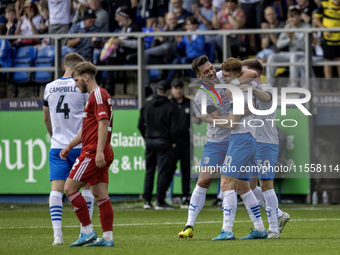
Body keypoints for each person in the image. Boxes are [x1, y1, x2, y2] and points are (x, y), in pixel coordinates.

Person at [178, 55, 257, 239]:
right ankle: (189, 225)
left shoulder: (224, 75)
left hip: (236, 139)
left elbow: (252, 72)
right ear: (200, 77)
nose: (212, 72)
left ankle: (256, 224)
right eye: (206, 72)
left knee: (242, 185)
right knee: (204, 180)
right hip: (216, 141)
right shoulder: (202, 96)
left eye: (212, 68)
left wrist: (236, 83)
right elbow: (227, 123)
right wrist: (242, 112)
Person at [60, 61, 114, 247]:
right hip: (97, 149)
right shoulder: (95, 96)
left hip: (93, 151)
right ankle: (107, 238)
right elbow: (87, 130)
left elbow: (103, 123)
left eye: (76, 80)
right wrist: (69, 146)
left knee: (69, 188)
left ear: (86, 77)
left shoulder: (97, 94)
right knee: (100, 194)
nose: (75, 85)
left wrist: (98, 151)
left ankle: (88, 231)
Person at [43, 53, 94, 246]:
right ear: (79, 67)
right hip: (81, 146)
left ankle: (57, 236)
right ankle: (85, 230)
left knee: (56, 190)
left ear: (64, 66)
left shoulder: (49, 87)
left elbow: (46, 118)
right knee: (87, 187)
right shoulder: (82, 88)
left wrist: (54, 136)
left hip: (58, 146)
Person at [241, 59, 291, 238]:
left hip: (266, 143)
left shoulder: (267, 88)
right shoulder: (245, 91)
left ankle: (273, 230)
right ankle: (277, 214)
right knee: (247, 185)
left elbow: (266, 98)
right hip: (251, 142)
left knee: (266, 185)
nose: (241, 75)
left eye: (244, 71)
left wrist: (251, 89)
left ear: (254, 73)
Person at [138, 80, 178, 210]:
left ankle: (147, 201)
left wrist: (147, 137)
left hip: (150, 141)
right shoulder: (171, 106)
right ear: (167, 92)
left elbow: (140, 125)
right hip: (164, 141)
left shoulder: (147, 105)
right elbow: (174, 129)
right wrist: (173, 141)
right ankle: (160, 201)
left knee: (149, 171)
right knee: (162, 171)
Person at [266, 7, 311, 87]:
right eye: (290, 17)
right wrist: (289, 40)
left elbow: (305, 46)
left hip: (303, 53)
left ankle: (293, 84)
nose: (291, 19)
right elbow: (279, 44)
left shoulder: (307, 27)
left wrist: (295, 35)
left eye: (293, 16)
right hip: (291, 53)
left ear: (300, 16)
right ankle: (269, 85)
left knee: (294, 56)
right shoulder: (288, 27)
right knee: (272, 57)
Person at [104, 5, 141, 95]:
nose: (116, 19)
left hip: (131, 55)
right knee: (101, 60)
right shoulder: (121, 29)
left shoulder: (135, 27)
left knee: (109, 61)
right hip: (120, 55)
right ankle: (99, 90)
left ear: (124, 17)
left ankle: (110, 88)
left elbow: (138, 43)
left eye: (117, 16)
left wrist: (122, 42)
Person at [170, 80, 191, 208]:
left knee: (186, 171)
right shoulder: (168, 104)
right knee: (168, 170)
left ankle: (185, 196)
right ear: (172, 90)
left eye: (180, 87)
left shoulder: (189, 103)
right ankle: (164, 196)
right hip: (171, 143)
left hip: (186, 142)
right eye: (175, 87)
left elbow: (197, 121)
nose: (178, 90)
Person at [166, 16, 206, 82]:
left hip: (198, 56)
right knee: (176, 61)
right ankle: (168, 81)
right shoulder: (186, 34)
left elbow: (200, 48)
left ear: (196, 25)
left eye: (192, 24)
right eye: (188, 25)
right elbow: (183, 48)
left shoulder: (200, 34)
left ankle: (195, 78)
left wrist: (191, 41)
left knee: (184, 60)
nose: (190, 26)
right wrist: (180, 42)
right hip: (189, 57)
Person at [313, 0, 340, 80]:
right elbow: (316, 19)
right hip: (327, 38)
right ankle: (329, 85)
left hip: (339, 38)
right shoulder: (324, 4)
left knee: (339, 60)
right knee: (328, 60)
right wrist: (324, 29)